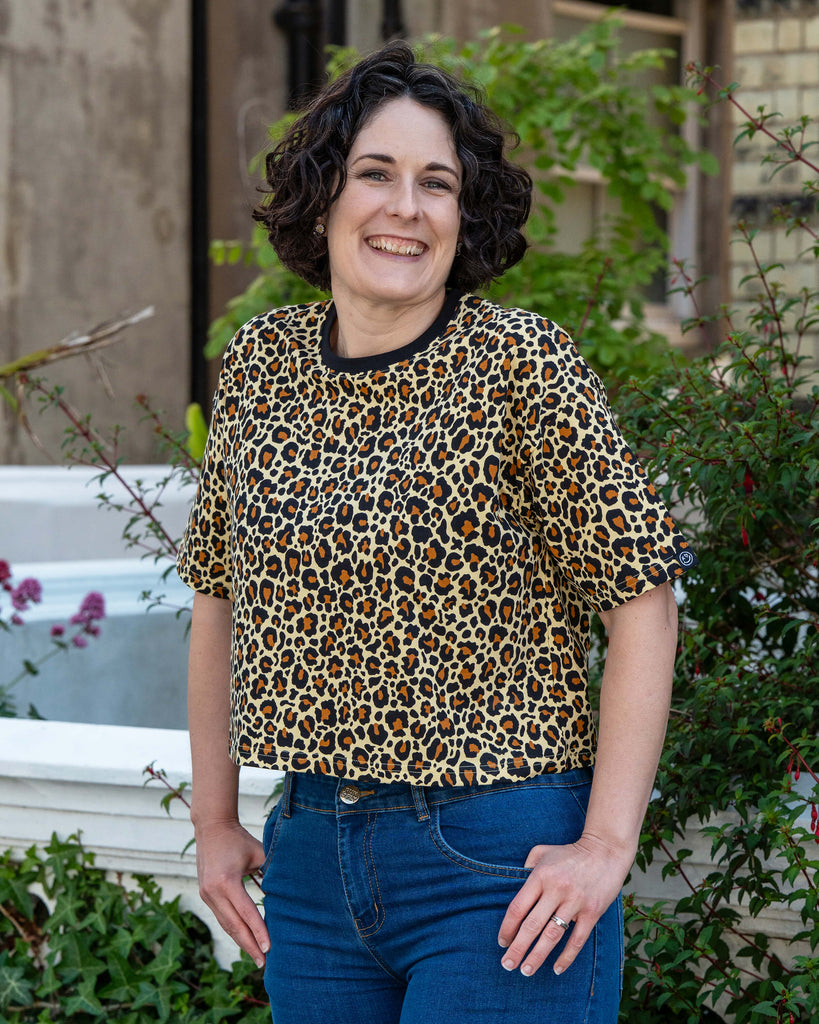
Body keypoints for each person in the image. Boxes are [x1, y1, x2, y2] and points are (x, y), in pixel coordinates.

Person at [177, 40, 697, 1024]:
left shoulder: (520, 363)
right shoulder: (261, 362)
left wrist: (608, 843)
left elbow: (644, 595)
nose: (406, 208)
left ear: (467, 213)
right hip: (311, 862)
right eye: (376, 173)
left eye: (438, 184)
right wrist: (213, 817)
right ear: (324, 194)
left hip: (497, 864)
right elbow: (216, 594)